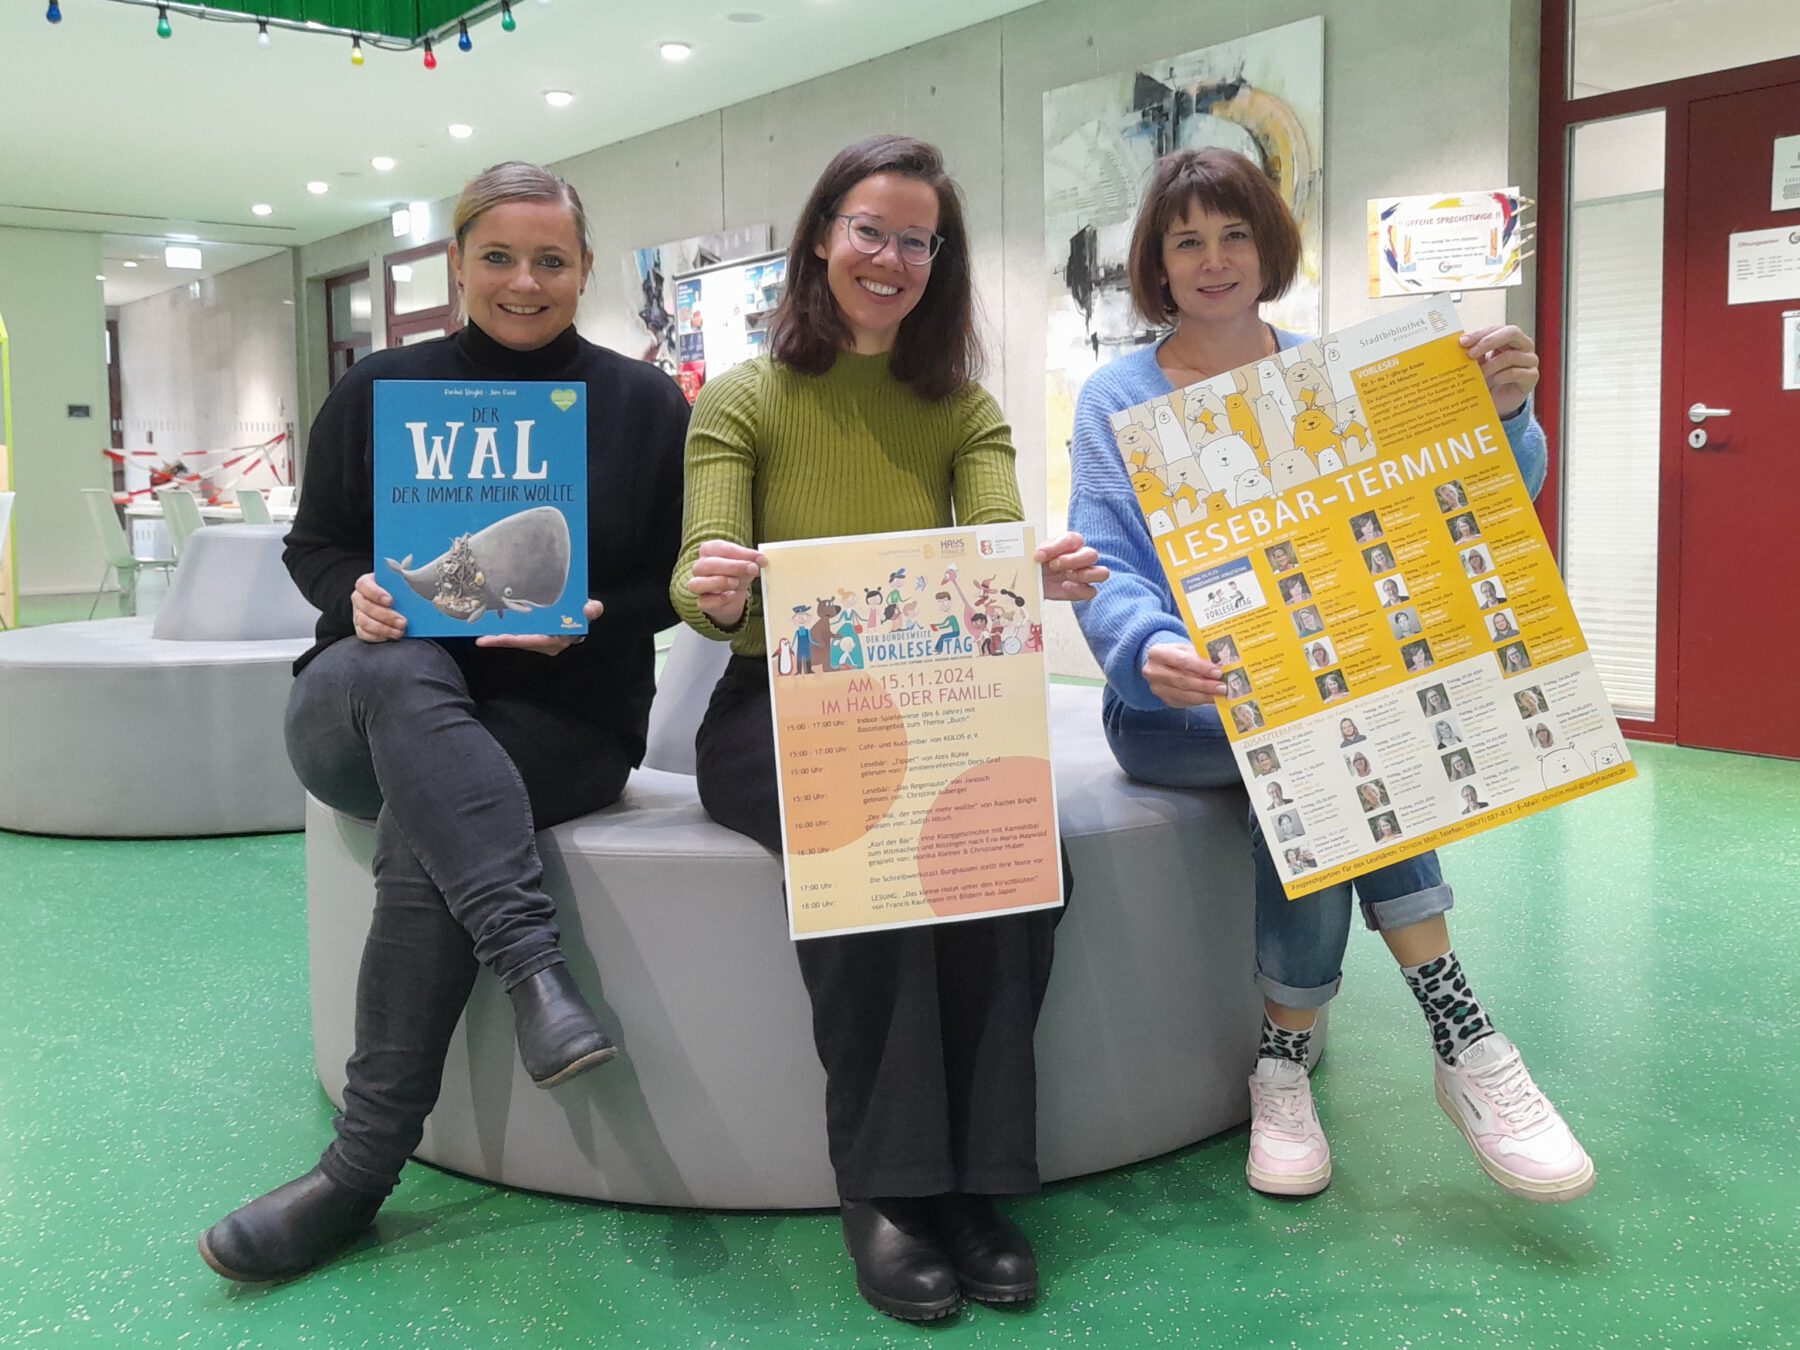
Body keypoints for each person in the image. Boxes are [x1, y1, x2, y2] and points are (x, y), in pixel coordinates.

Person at [1068, 147, 1590, 1210]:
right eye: (1187, 241)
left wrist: (1503, 414)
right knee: (1324, 736)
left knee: (1318, 741)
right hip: (1180, 709)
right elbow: (1105, 557)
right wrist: (1140, 647)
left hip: (1317, 689)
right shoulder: (1115, 396)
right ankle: (1461, 1033)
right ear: (1156, 266)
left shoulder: (1325, 371)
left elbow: (1470, 498)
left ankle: (1284, 1063)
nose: (1215, 260)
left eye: (1235, 235)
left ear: (1270, 248)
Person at [198, 163, 690, 1281]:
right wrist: (356, 594)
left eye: (551, 260)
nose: (526, 281)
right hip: (360, 707)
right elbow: (313, 543)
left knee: (442, 811)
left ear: (585, 270)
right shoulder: (379, 389)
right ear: (458, 265)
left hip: (559, 719)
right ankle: (535, 972)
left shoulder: (644, 405)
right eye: (500, 258)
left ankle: (355, 1177)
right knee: (411, 669)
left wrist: (598, 619)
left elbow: (681, 582)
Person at [674, 135, 1105, 1322]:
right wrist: (711, 586)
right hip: (773, 707)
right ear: (823, 235)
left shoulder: (960, 407)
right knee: (869, 851)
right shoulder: (743, 399)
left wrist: (1035, 570)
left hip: (936, 697)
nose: (893, 258)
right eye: (872, 229)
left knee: (1026, 860)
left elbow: (993, 546)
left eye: (919, 240)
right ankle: (888, 1187)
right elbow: (697, 582)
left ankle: (977, 1180)